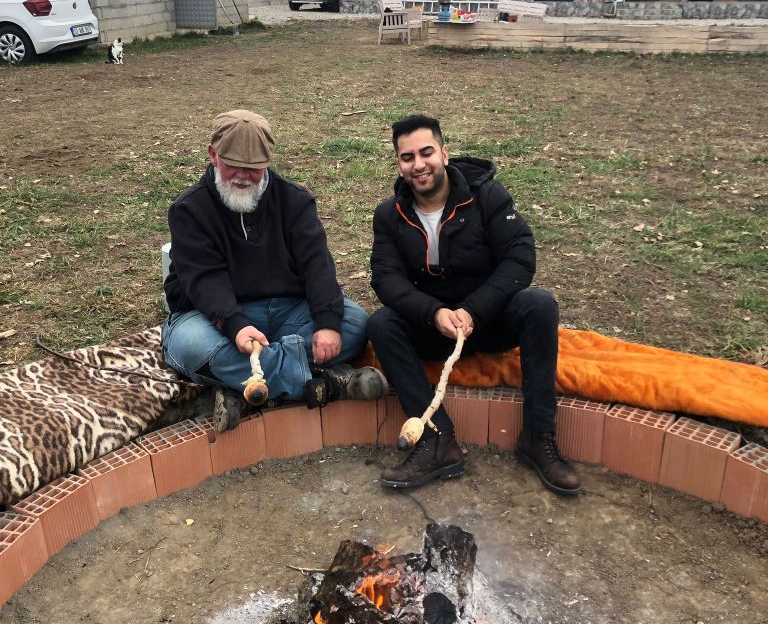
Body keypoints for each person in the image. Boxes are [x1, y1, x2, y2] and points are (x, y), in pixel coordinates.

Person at [367, 114, 579, 496]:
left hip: (488, 321)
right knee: (382, 324)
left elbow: (520, 256)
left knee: (539, 305)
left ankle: (538, 436)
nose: (418, 165)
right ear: (398, 164)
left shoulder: (487, 196)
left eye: (427, 153)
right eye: (407, 157)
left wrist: (474, 310)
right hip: (434, 329)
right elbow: (386, 279)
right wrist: (434, 313)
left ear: (445, 154)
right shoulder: (389, 215)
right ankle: (437, 440)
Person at [162, 109, 387, 430]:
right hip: (213, 317)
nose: (242, 176)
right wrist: (235, 325)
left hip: (287, 313)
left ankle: (246, 388)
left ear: (267, 161)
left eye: (253, 168)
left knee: (353, 324)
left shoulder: (295, 200)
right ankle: (327, 385)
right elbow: (205, 279)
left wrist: (327, 323)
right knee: (193, 346)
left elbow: (317, 265)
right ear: (213, 155)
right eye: (233, 165)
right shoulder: (189, 209)